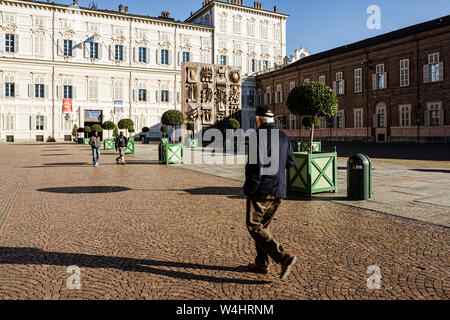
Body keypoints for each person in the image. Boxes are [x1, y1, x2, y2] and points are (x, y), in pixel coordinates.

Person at [243, 106, 296, 280]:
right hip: (278, 190)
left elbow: (254, 166)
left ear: (259, 120)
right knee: (263, 227)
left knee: (254, 226)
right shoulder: (283, 136)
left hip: (262, 190)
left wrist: (250, 188)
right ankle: (261, 263)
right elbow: (290, 162)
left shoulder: (256, 136)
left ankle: (282, 257)